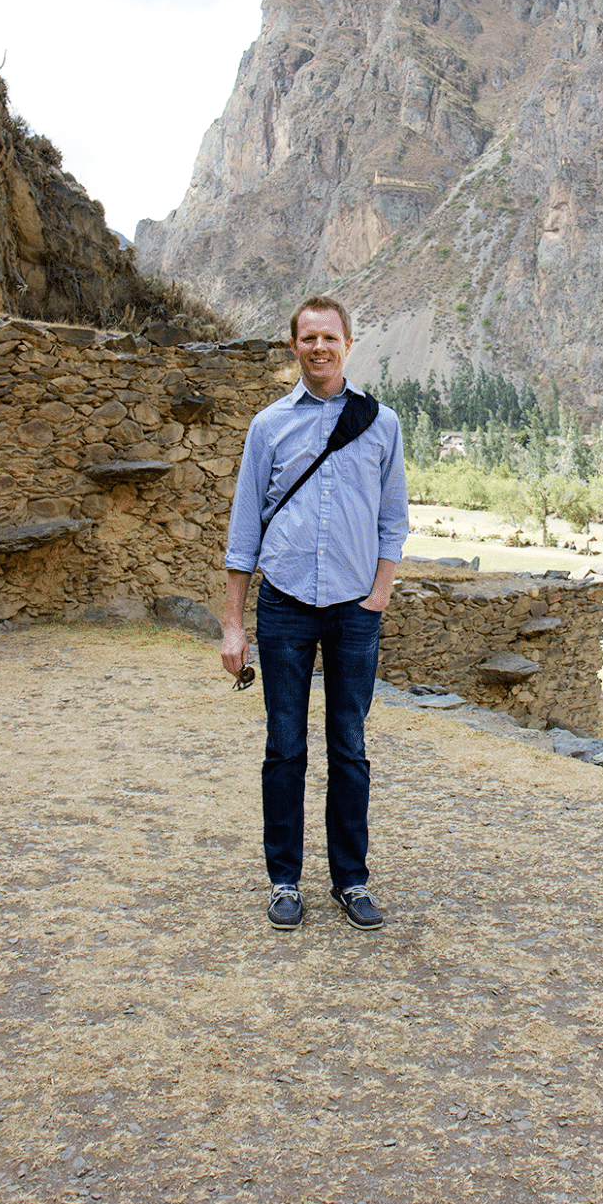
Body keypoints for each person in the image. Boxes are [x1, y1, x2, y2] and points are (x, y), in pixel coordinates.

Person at [221, 295, 409, 933]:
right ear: (294, 346)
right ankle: (284, 881)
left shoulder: (381, 424)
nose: (320, 348)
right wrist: (231, 624)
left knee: (349, 747)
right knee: (284, 747)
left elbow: (393, 521)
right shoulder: (267, 426)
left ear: (348, 344)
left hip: (356, 609)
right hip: (286, 606)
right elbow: (244, 532)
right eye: (309, 339)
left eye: (330, 338)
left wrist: (379, 592)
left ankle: (351, 881)